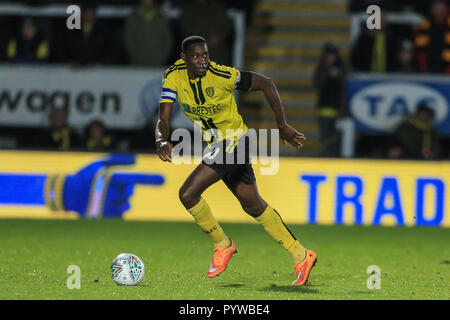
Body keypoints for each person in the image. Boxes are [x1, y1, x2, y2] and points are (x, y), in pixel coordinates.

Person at [155, 36, 317, 285]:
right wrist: (161, 138)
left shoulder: (222, 75)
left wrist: (282, 125)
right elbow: (164, 116)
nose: (203, 61)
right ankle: (301, 255)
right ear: (184, 58)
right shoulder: (173, 76)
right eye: (196, 56)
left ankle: (223, 245)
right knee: (252, 204)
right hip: (217, 145)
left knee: (188, 193)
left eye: (206, 55)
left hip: (235, 142)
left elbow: (266, 83)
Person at [313, 42, 347, 157]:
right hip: (324, 109)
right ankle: (325, 157)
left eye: (332, 54)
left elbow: (345, 86)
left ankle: (334, 157)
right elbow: (316, 83)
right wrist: (326, 70)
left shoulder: (341, 67)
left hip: (338, 109)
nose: (330, 57)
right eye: (328, 55)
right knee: (325, 137)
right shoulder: (322, 67)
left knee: (336, 138)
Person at [123, 0, 174, 66]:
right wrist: (136, 55)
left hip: (158, 63)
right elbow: (128, 39)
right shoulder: (133, 18)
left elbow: (167, 40)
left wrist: (161, 57)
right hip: (137, 63)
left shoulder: (161, 17)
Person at [413, 0, 450, 74]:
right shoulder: (423, 27)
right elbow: (419, 52)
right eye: (436, 8)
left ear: (446, 9)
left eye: (441, 7)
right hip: (427, 71)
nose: (438, 11)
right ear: (431, 9)